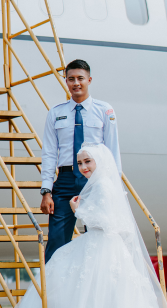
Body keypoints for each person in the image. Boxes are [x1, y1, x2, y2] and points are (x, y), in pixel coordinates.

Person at [11, 143, 167, 308]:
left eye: (88, 162)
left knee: (88, 297)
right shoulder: (99, 184)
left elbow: (109, 223)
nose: (83, 167)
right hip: (101, 245)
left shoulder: (102, 186)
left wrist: (79, 210)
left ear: (99, 162)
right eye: (80, 163)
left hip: (101, 245)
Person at [40, 59, 122, 263]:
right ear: (66, 81)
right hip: (66, 180)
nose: (76, 83)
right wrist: (46, 191)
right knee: (57, 241)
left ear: (89, 80)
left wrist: (114, 188)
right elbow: (50, 153)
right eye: (71, 79)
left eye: (80, 78)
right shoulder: (56, 113)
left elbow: (112, 151)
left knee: (98, 238)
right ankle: (53, 292)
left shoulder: (105, 111)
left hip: (94, 181)